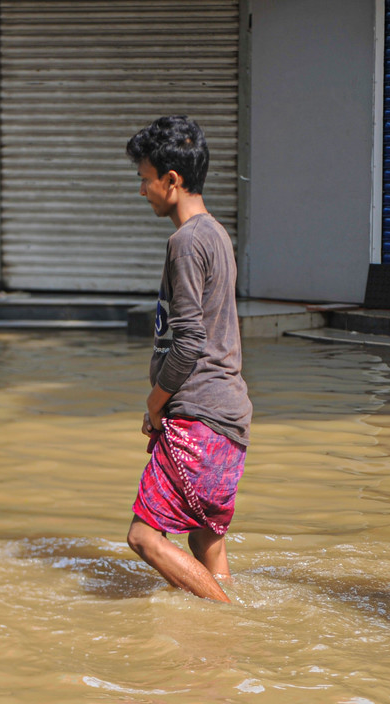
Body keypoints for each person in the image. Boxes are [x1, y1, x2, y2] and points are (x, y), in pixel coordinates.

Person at [123, 115, 252, 603]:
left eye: (145, 179)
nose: (143, 191)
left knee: (143, 537)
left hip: (198, 418)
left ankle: (230, 618)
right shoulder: (216, 234)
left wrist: (156, 404)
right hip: (228, 421)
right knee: (207, 547)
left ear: (171, 181)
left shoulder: (185, 241)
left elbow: (190, 342)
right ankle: (223, 652)